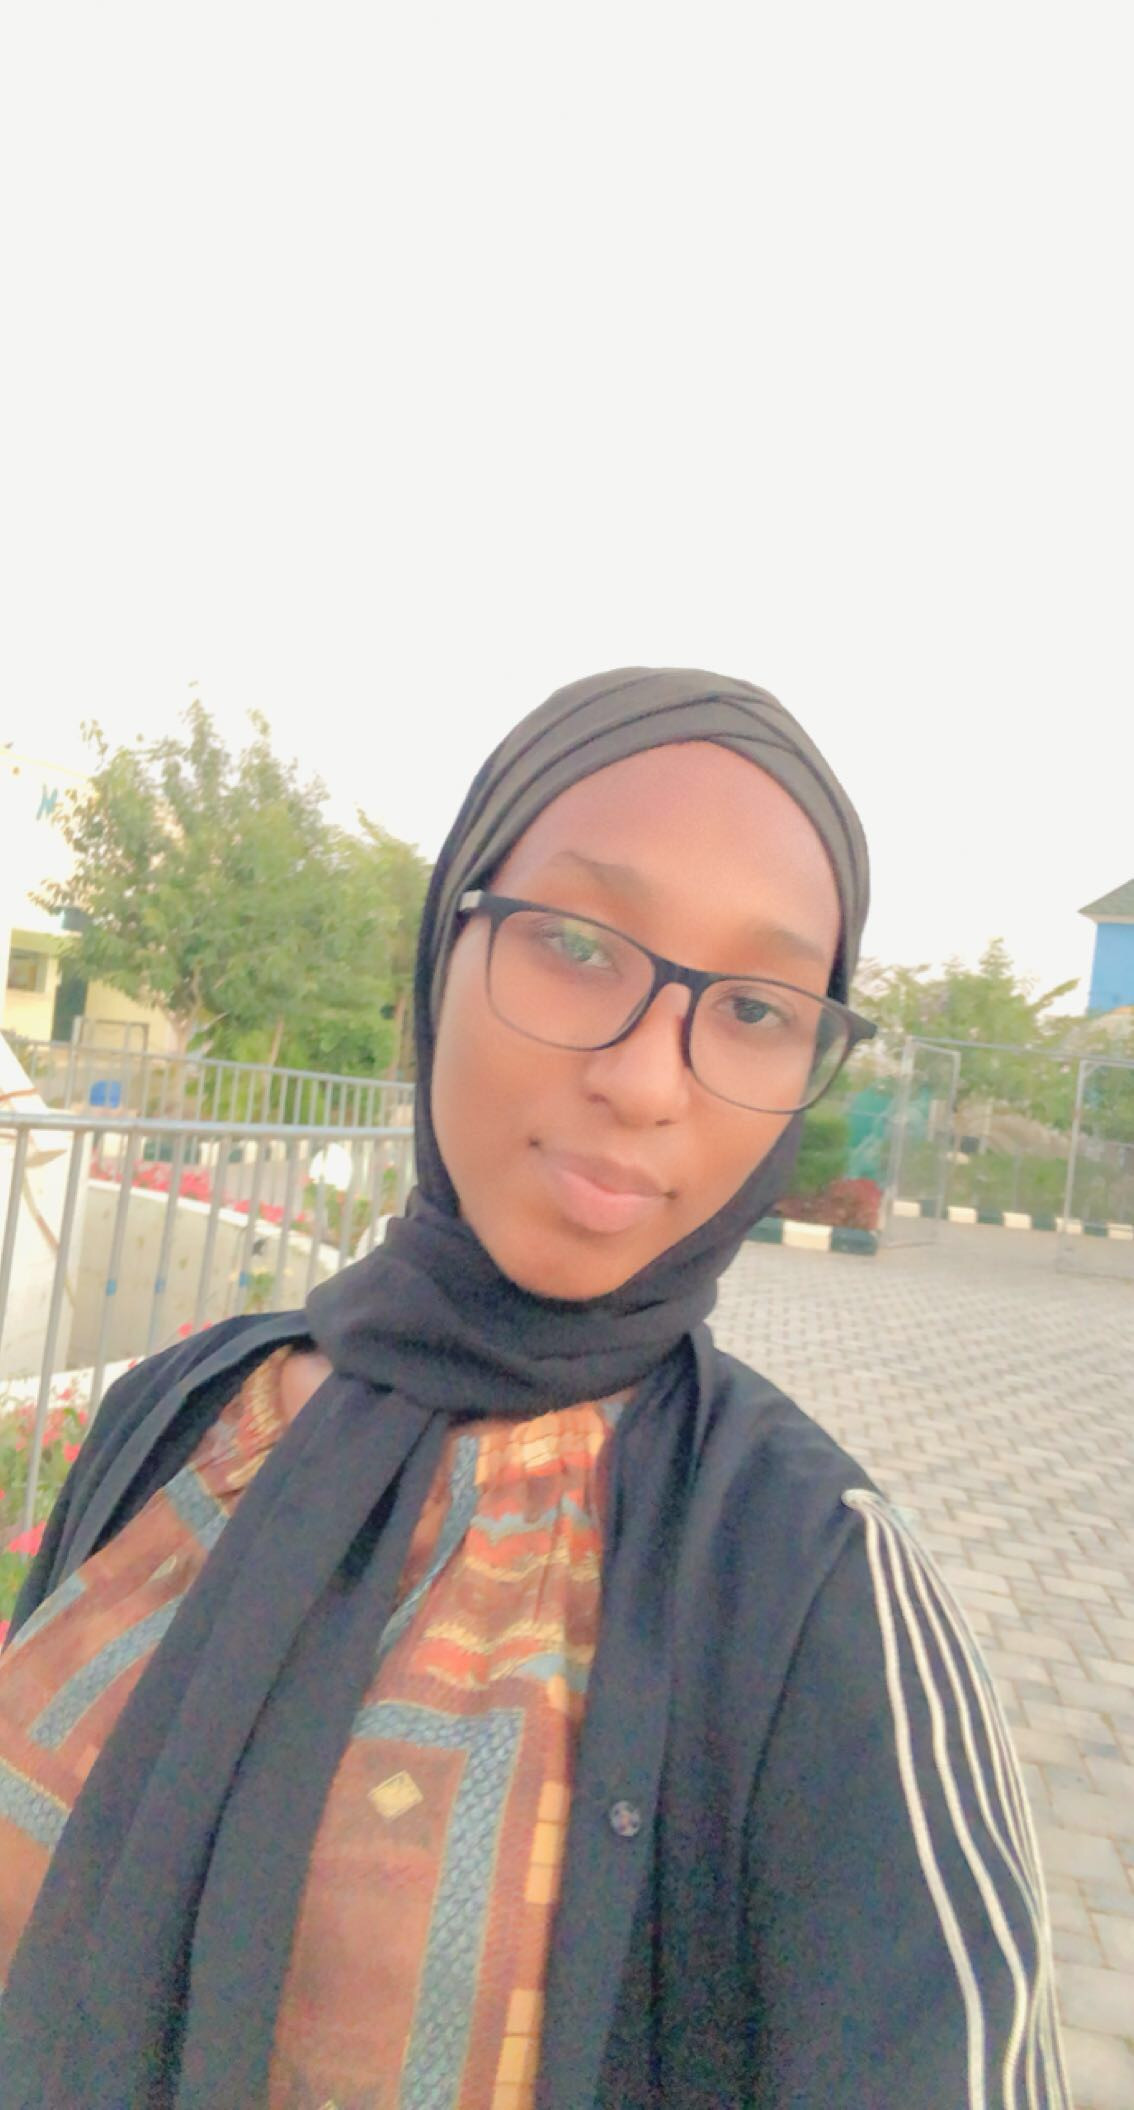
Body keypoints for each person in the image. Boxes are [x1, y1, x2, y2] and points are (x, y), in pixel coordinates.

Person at [0, 668, 1068, 2109]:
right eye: (574, 944)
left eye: (755, 1009)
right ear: (445, 945)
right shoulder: (178, 1414)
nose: (647, 1080)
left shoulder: (817, 1592)